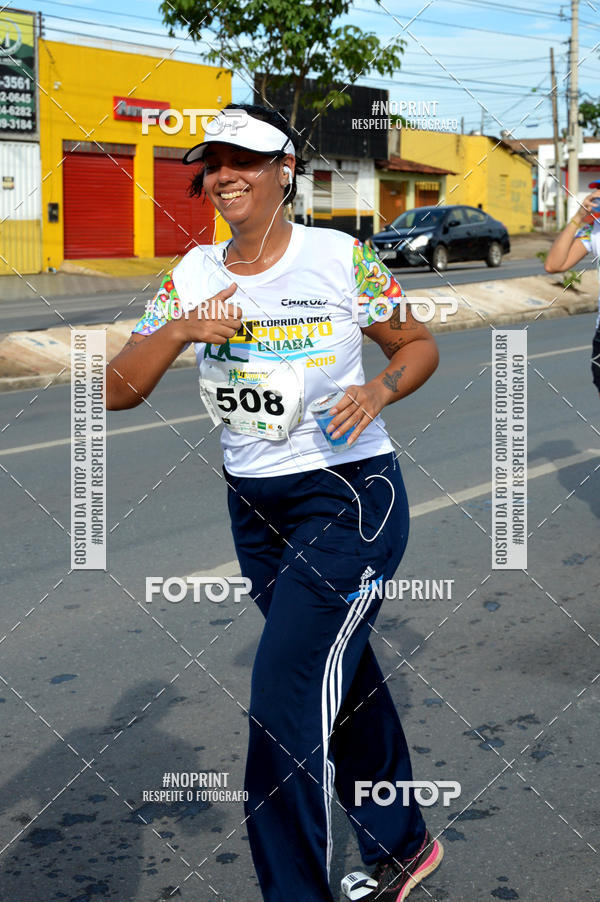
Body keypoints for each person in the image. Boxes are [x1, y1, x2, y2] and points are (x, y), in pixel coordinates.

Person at [106, 103, 442, 902]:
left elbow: (418, 344)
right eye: (213, 161)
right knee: (342, 672)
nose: (225, 175)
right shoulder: (191, 273)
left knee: (285, 699)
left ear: (284, 171)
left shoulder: (338, 259)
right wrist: (183, 327)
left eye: (245, 160)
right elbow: (118, 389)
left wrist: (377, 388)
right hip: (255, 512)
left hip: (350, 499)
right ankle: (404, 845)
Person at [544, 180, 600, 397]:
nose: (596, 195)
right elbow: (554, 264)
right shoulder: (593, 230)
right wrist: (578, 218)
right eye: (596, 191)